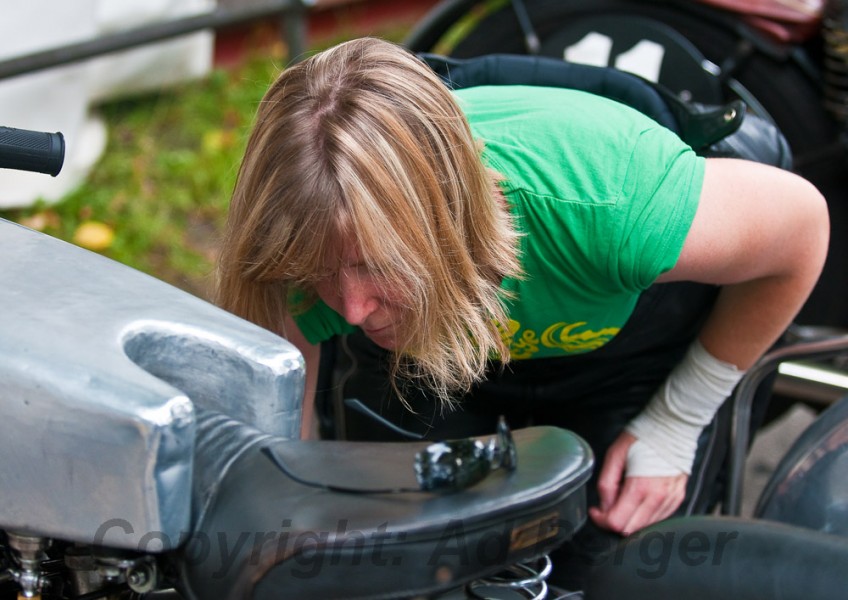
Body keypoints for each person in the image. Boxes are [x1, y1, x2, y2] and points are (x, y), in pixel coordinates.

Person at [216, 37, 829, 587]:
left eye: (377, 264)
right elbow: (286, 411)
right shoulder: (301, 224)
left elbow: (802, 233)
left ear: (446, 218)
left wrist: (679, 418)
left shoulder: (608, 204)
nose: (349, 308)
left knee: (619, 571)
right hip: (430, 360)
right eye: (323, 273)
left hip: (620, 349)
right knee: (391, 559)